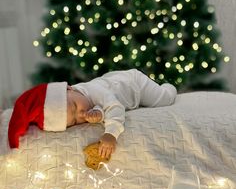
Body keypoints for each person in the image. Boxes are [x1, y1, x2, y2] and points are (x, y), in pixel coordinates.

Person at [8, 69, 177, 158]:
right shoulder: (84, 104)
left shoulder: (94, 90)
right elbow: (100, 110)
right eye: (74, 121)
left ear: (70, 88)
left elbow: (114, 107)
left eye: (74, 107)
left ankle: (169, 86)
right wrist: (98, 114)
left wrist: (111, 134)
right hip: (112, 81)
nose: (80, 114)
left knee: (164, 99)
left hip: (135, 85)